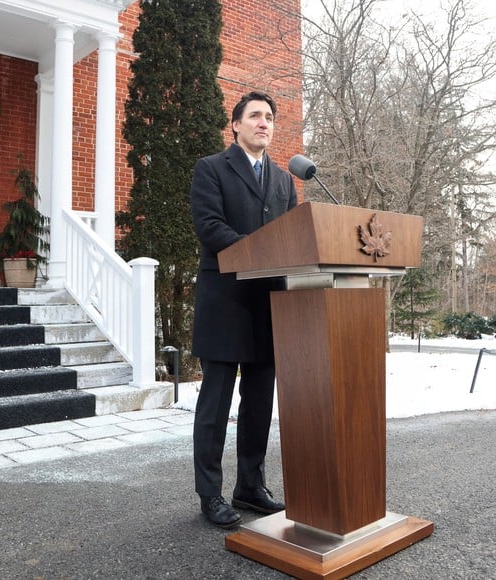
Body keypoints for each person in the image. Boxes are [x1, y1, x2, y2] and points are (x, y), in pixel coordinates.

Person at [190, 91, 298, 528]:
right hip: (225, 299)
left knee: (258, 403)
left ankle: (250, 486)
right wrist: (261, 254)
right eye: (254, 116)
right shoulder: (212, 169)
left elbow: (292, 237)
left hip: (267, 306)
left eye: (269, 117)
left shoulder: (285, 180)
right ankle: (210, 494)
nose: (263, 123)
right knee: (215, 405)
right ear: (235, 125)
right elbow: (210, 226)